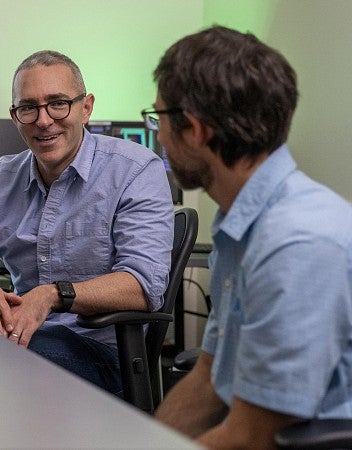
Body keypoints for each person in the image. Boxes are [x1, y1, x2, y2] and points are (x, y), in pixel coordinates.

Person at [0, 50, 173, 394]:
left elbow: (143, 285)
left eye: (58, 103)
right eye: (28, 108)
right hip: (24, 338)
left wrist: (51, 295)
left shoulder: (135, 170)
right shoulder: (3, 178)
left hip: (104, 356)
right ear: (15, 117)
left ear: (86, 107)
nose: (43, 120)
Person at [149, 25, 352, 448]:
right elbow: (207, 380)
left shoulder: (297, 243)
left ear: (194, 128)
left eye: (159, 119)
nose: (158, 137)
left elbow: (252, 438)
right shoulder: (240, 228)